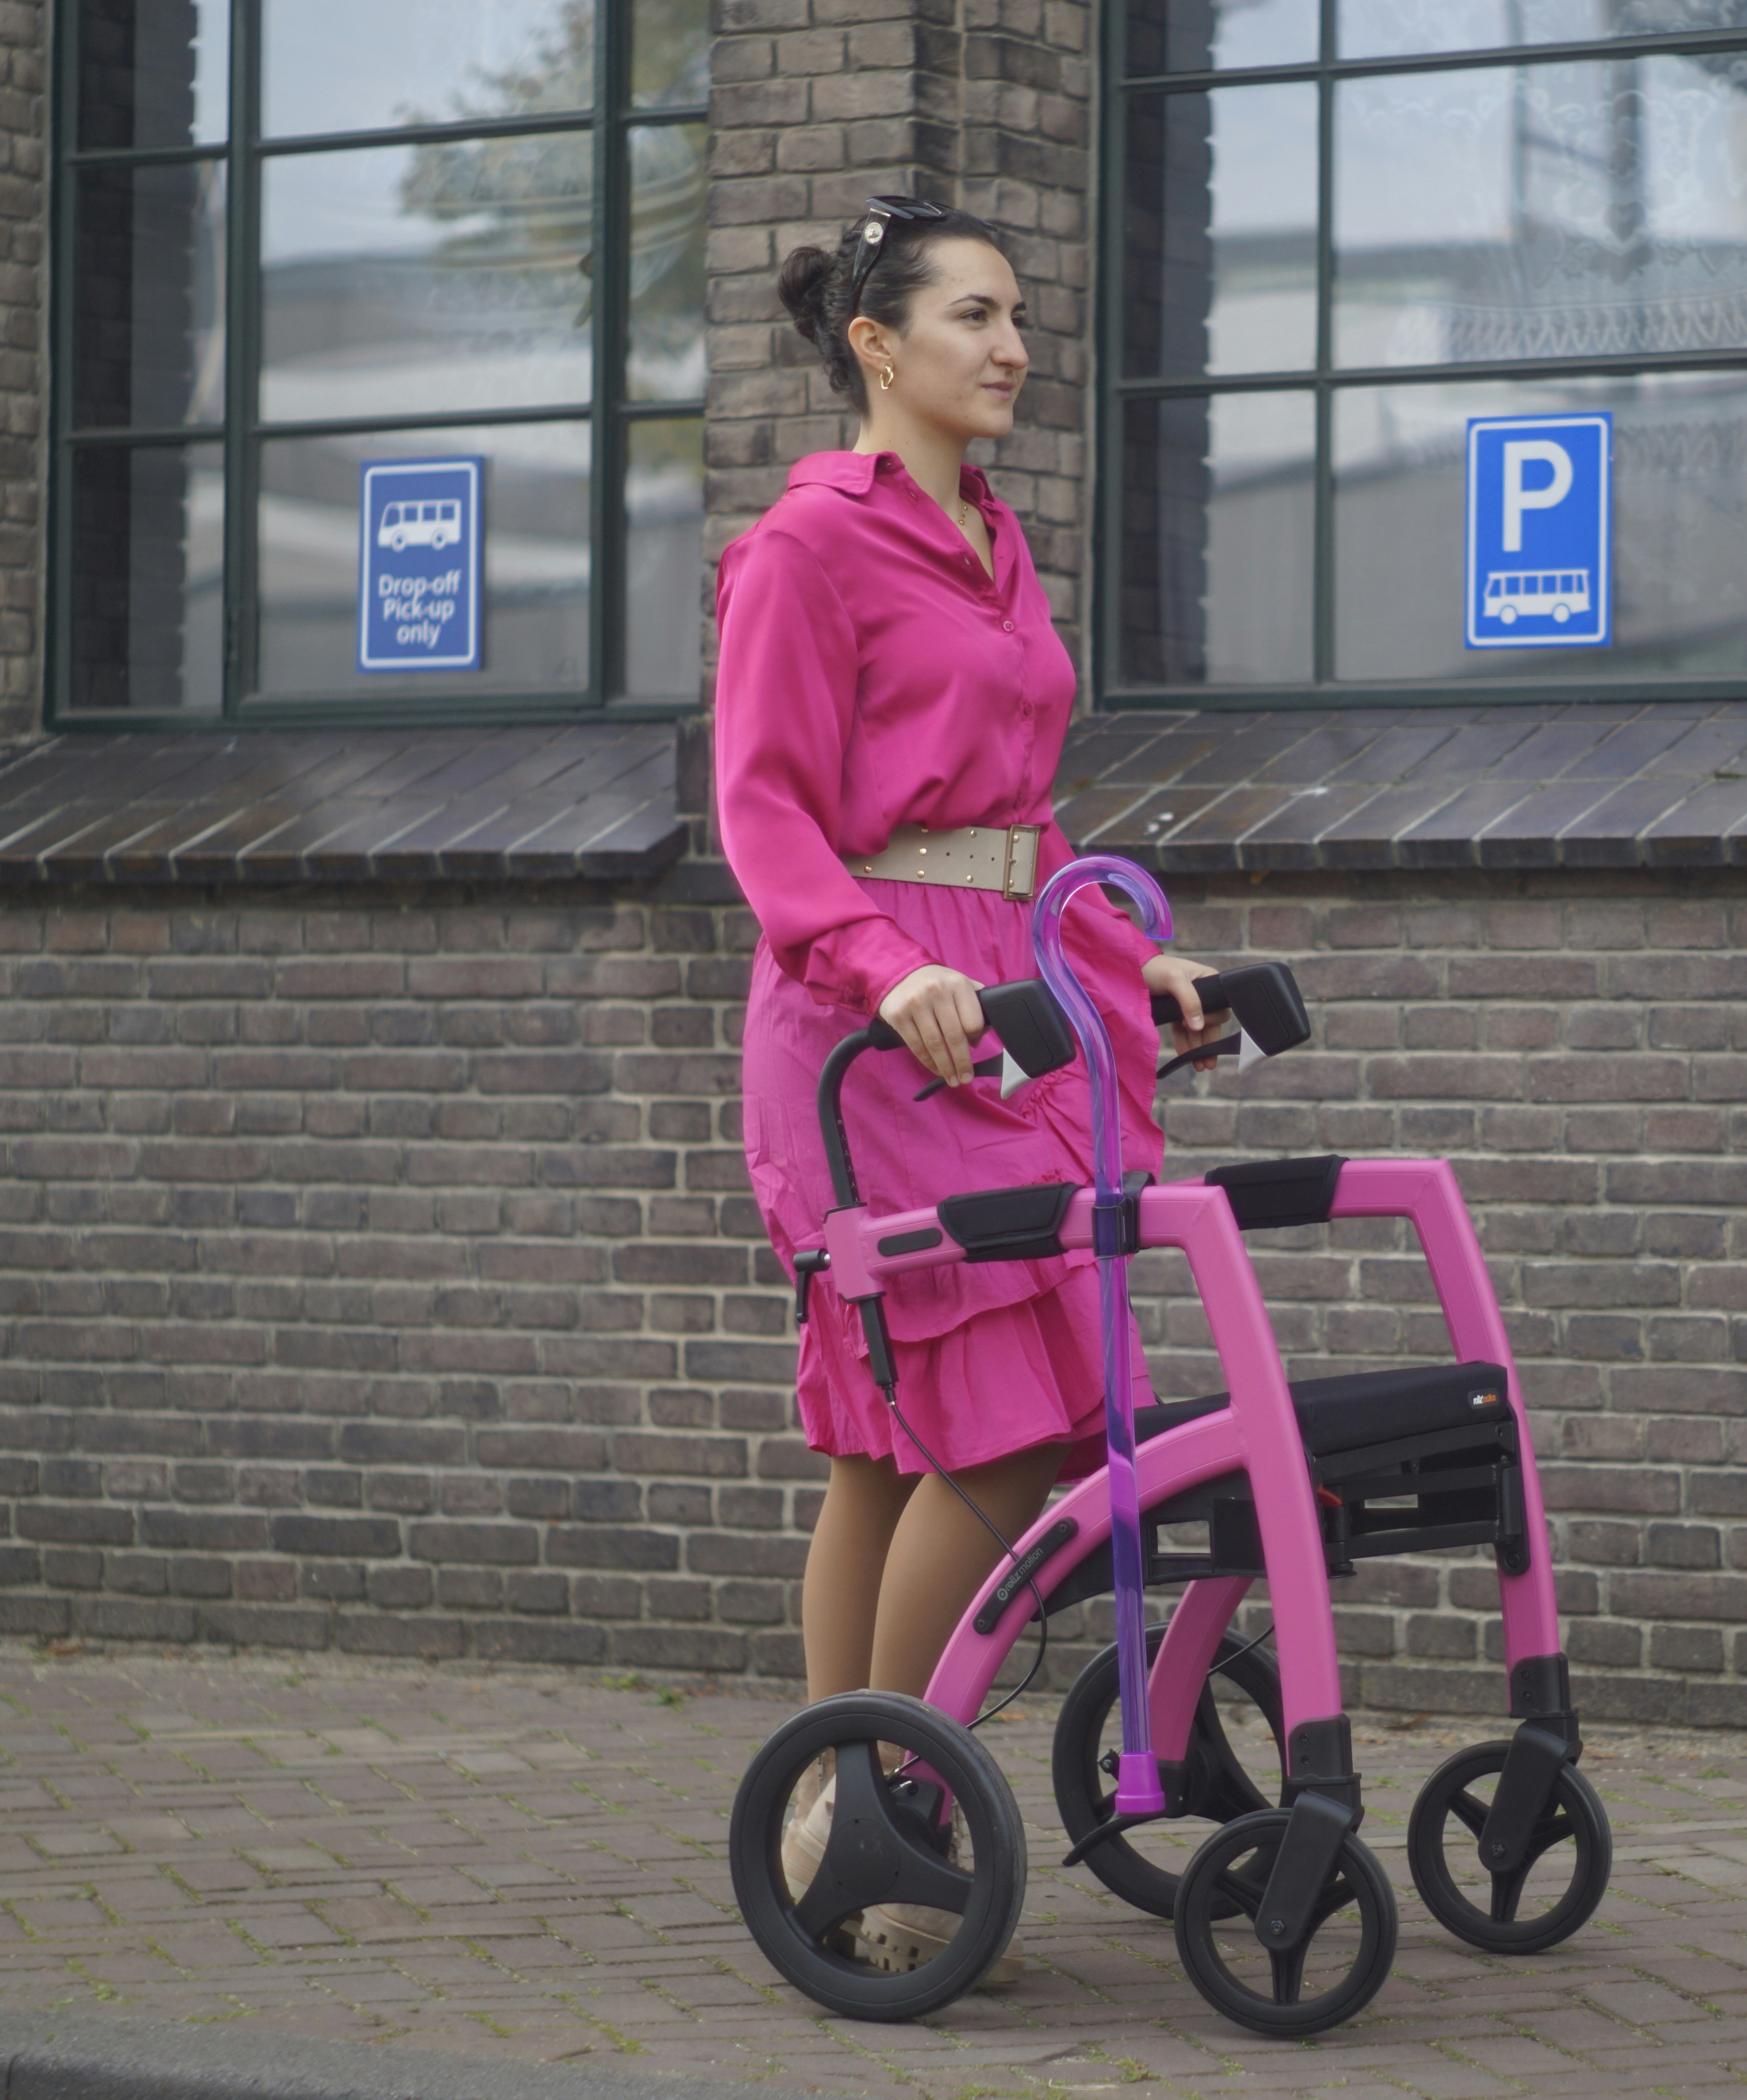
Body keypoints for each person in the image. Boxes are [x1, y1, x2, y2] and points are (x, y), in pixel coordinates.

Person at [711, 195, 1219, 1980]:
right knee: (1010, 1423)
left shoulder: (994, 537)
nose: (1013, 348)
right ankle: (888, 1792)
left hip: (1005, 990)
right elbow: (767, 808)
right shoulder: (806, 547)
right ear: (879, 344)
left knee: (892, 1436)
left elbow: (1014, 816)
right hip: (871, 1019)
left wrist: (1132, 956)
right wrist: (885, 968)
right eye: (978, 317)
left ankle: (831, 1796)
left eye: (1019, 319)